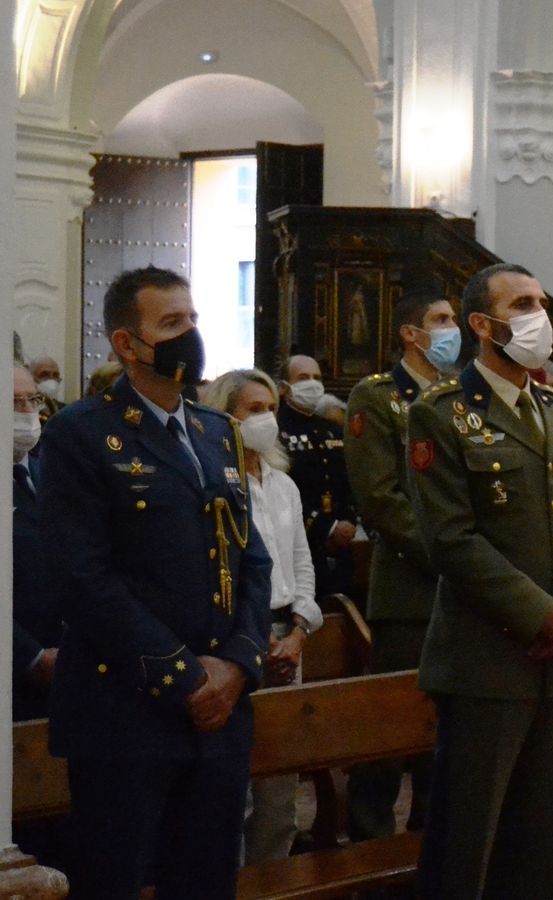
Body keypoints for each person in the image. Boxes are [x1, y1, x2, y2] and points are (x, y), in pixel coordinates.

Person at [40, 265, 271, 898]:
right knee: (114, 881)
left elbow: (251, 559)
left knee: (206, 882)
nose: (189, 335)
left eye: (192, 319)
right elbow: (83, 578)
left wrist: (237, 664)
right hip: (127, 713)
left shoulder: (216, 432)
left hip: (219, 715)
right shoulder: (81, 433)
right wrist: (186, 677)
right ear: (126, 343)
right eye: (171, 324)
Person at [409, 263, 553, 898]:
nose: (538, 316)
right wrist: (542, 614)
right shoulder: (441, 414)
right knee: (467, 843)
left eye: (540, 303)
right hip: (487, 662)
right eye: (522, 305)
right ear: (482, 324)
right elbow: (451, 540)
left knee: (538, 840)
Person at [342, 292, 458, 841]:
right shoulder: (378, 396)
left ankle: (432, 845)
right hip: (411, 588)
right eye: (441, 320)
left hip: (462, 590)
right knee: (391, 727)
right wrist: (454, 555)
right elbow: (381, 499)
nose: (453, 329)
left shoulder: (458, 396)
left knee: (444, 734)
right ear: (411, 334)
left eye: (454, 319)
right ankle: (369, 845)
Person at [200, 369, 323, 864]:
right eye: (253, 410)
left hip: (287, 637)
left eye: (271, 408)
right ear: (225, 416)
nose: (266, 419)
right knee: (237, 791)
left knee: (280, 787)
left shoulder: (283, 485)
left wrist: (298, 631)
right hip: (236, 641)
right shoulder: (212, 483)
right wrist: (252, 638)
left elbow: (301, 564)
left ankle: (274, 881)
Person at [278, 355, 358, 597]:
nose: (312, 384)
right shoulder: (278, 430)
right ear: (284, 388)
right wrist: (326, 527)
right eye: (303, 378)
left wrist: (348, 521)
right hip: (297, 544)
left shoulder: (332, 429)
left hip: (340, 546)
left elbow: (349, 480)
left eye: (317, 378)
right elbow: (281, 491)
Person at [13, 366, 59, 721]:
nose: (28, 411)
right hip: (15, 674)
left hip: (71, 666)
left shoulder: (53, 472)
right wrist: (30, 656)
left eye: (33, 399)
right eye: (14, 402)